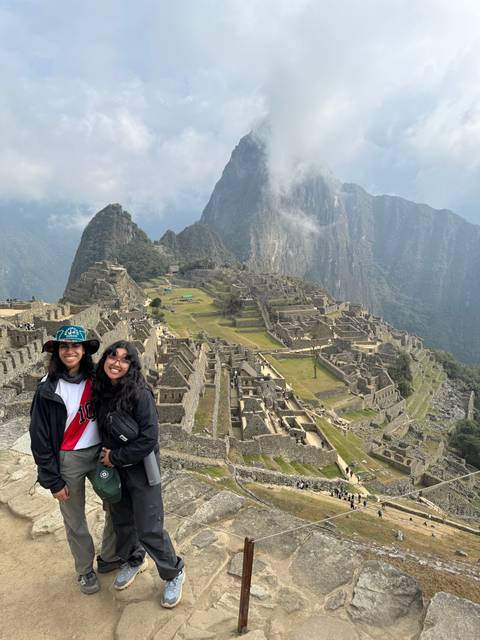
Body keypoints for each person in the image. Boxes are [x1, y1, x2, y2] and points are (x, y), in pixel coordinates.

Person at [93, 340, 184, 608]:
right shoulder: (103, 391)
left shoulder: (140, 393)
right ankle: (134, 559)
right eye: (112, 356)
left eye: (124, 359)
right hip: (116, 472)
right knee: (123, 522)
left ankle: (174, 571)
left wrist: (115, 457)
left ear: (131, 366)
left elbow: (148, 439)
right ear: (105, 359)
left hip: (141, 472)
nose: (116, 363)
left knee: (149, 527)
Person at [29, 325, 119, 595]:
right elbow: (40, 438)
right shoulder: (47, 390)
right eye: (64, 346)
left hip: (99, 454)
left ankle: (110, 556)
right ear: (57, 351)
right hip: (68, 458)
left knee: (116, 503)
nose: (70, 351)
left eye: (75, 346)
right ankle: (84, 570)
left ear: (84, 351)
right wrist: (52, 480)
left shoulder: (97, 380)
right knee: (75, 520)